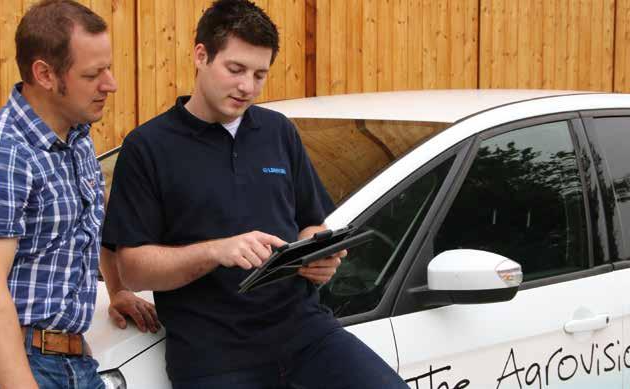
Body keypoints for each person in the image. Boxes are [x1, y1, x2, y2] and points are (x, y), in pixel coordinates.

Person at [101, 0, 408, 387]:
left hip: (306, 335)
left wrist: (318, 258)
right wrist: (216, 251)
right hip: (215, 359)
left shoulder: (279, 132)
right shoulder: (148, 147)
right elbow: (133, 267)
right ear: (201, 55)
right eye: (236, 69)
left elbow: (311, 224)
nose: (247, 86)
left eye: (260, 74)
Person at [0, 1, 157, 388]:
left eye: (108, 67)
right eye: (93, 73)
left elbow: (88, 228)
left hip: (71, 362)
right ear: (45, 74)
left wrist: (117, 288)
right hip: (0, 365)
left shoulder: (76, 143)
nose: (111, 84)